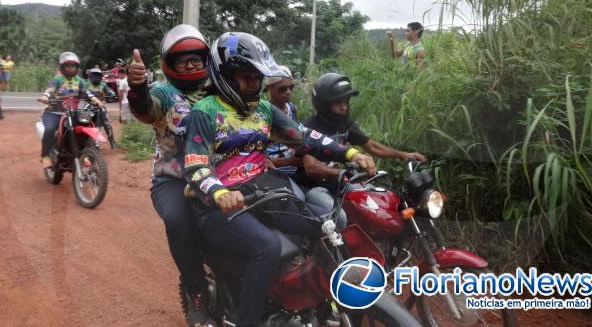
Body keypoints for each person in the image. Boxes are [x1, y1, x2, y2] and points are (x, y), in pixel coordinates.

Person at [183, 32, 376, 327]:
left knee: (325, 226)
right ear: (224, 75)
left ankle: (314, 303)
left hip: (261, 191)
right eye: (247, 77)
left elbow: (305, 137)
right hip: (218, 204)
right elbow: (195, 167)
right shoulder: (204, 112)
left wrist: (350, 153)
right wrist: (220, 192)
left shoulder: (263, 110)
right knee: (267, 248)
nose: (254, 85)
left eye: (258, 78)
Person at [127, 24, 212, 327]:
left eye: (196, 59)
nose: (190, 65)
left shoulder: (219, 89)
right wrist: (137, 89)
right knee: (177, 220)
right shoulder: (165, 92)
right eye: (182, 60)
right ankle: (197, 290)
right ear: (169, 65)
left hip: (220, 176)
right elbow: (146, 110)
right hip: (173, 179)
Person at [301, 72, 425, 217]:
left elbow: (371, 146)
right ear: (324, 104)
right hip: (313, 187)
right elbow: (311, 168)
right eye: (338, 102)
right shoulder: (309, 128)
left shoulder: (344, 123)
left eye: (346, 101)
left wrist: (403, 155)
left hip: (340, 182)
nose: (344, 107)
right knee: (338, 217)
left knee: (379, 203)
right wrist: (345, 174)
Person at [37, 52, 102, 169]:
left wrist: (94, 99)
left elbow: (86, 92)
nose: (71, 68)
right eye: (68, 65)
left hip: (73, 113)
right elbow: (50, 89)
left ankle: (86, 154)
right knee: (50, 129)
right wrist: (45, 96)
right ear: (62, 67)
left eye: (73, 65)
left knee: (86, 128)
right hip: (54, 112)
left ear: (77, 68)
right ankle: (45, 156)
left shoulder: (80, 81)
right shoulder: (57, 80)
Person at [85, 68, 118, 148]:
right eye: (94, 75)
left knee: (107, 124)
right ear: (90, 76)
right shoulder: (85, 84)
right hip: (87, 108)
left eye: (98, 75)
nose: (96, 77)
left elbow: (110, 91)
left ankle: (112, 141)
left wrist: (112, 94)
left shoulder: (103, 84)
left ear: (101, 77)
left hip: (100, 107)